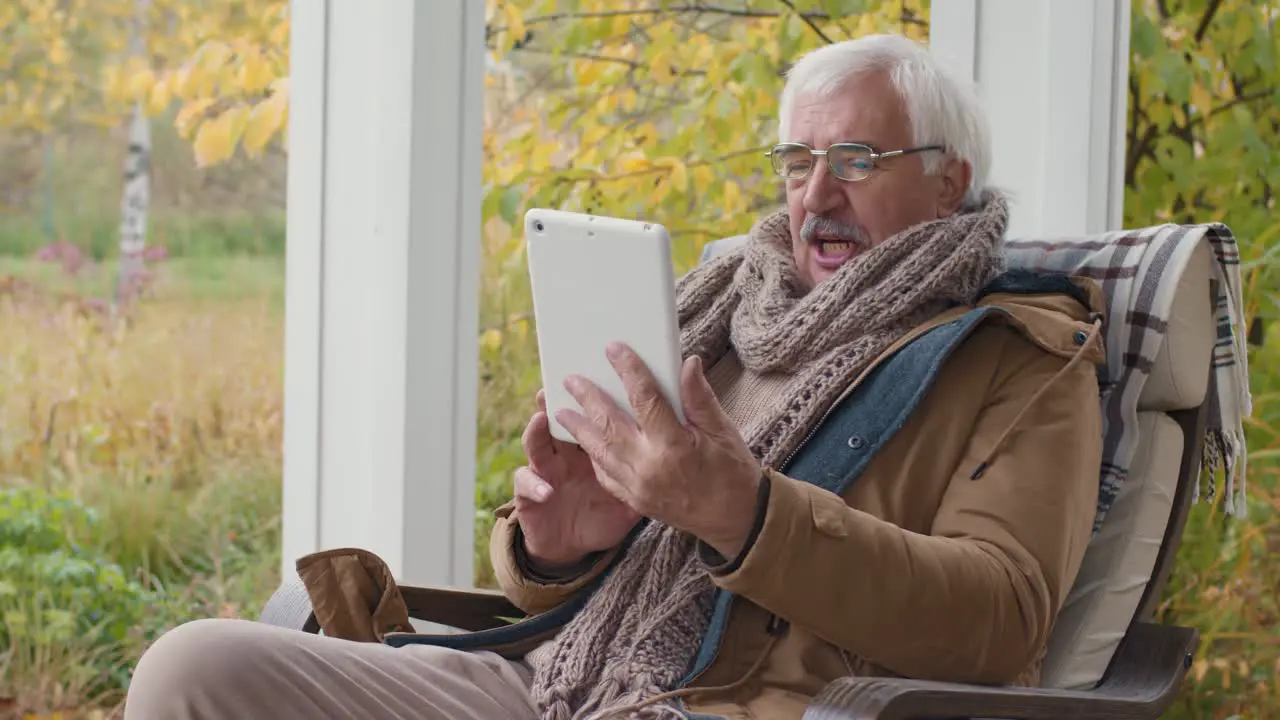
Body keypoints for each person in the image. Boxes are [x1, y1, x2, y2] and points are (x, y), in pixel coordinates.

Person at [124, 33, 1105, 720]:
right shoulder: (719, 307)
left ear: (947, 178)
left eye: (855, 157)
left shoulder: (1015, 361)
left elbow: (998, 619)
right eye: (797, 159)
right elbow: (572, 579)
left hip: (743, 707)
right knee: (193, 671)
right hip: (558, 682)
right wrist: (557, 547)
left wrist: (745, 516)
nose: (815, 193)